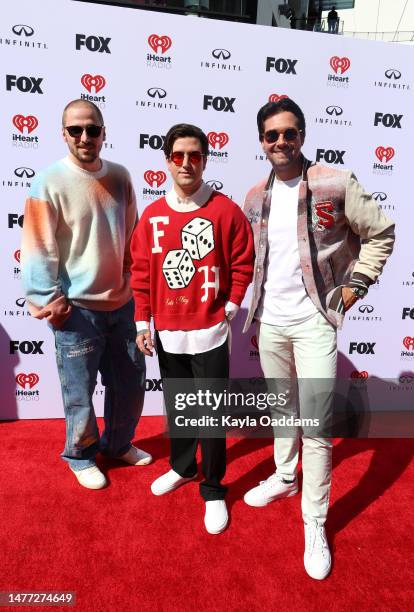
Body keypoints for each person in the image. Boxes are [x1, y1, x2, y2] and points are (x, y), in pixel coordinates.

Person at [242, 98, 394, 579]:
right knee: (283, 410)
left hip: (315, 322)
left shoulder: (335, 181)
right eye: (272, 135)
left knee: (318, 426)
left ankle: (314, 522)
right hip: (270, 322)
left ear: (302, 135)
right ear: (262, 142)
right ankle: (286, 477)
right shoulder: (253, 197)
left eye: (289, 133)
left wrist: (355, 287)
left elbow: (381, 233)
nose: (280, 142)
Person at [21, 99, 151, 490]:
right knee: (79, 394)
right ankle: (79, 456)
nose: (84, 137)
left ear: (104, 132)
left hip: (124, 304)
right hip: (77, 311)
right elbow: (39, 246)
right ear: (63, 134)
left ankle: (118, 444)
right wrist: (50, 300)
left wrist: (140, 293)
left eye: (92, 129)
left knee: (130, 384)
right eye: (75, 130)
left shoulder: (121, 177)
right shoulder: (48, 182)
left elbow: (134, 239)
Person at [130, 123, 254, 534]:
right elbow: (142, 274)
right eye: (178, 155)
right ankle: (183, 467)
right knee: (180, 409)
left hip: (211, 332)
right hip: (167, 332)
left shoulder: (225, 210)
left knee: (211, 415)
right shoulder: (152, 216)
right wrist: (142, 322)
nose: (186, 163)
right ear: (167, 160)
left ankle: (215, 489)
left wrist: (231, 307)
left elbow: (242, 262)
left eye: (195, 155)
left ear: (205, 160)